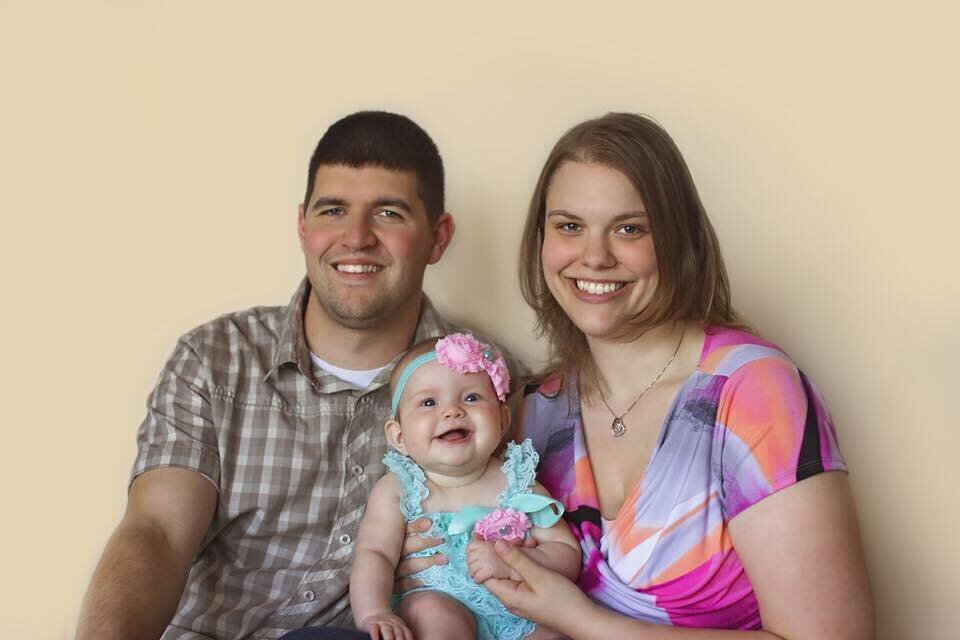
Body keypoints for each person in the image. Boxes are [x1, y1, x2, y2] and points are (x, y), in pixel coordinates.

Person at [76, 111, 480, 640]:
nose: (355, 237)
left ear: (437, 237)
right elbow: (157, 532)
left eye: (388, 213)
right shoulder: (215, 359)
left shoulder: (478, 386)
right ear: (303, 227)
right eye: (333, 210)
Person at [477, 113, 875, 638]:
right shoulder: (534, 410)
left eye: (629, 229)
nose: (593, 257)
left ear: (678, 240)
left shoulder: (753, 393)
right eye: (569, 226)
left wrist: (581, 620)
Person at [349, 333, 580, 640]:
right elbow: (374, 554)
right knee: (434, 614)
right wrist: (374, 612)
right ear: (399, 436)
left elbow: (566, 553)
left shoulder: (519, 481)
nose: (452, 411)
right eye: (429, 402)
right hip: (437, 602)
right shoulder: (398, 490)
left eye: (471, 398)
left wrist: (517, 563)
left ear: (502, 420)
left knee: (557, 630)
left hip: (518, 611)